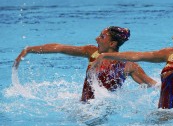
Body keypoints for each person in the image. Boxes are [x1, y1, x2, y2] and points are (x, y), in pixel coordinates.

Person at [14, 26, 157, 102]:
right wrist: (30, 49)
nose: (96, 38)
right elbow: (60, 48)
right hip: (83, 105)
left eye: (102, 37)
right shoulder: (92, 52)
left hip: (101, 109)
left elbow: (154, 85)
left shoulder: (128, 65)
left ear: (112, 44)